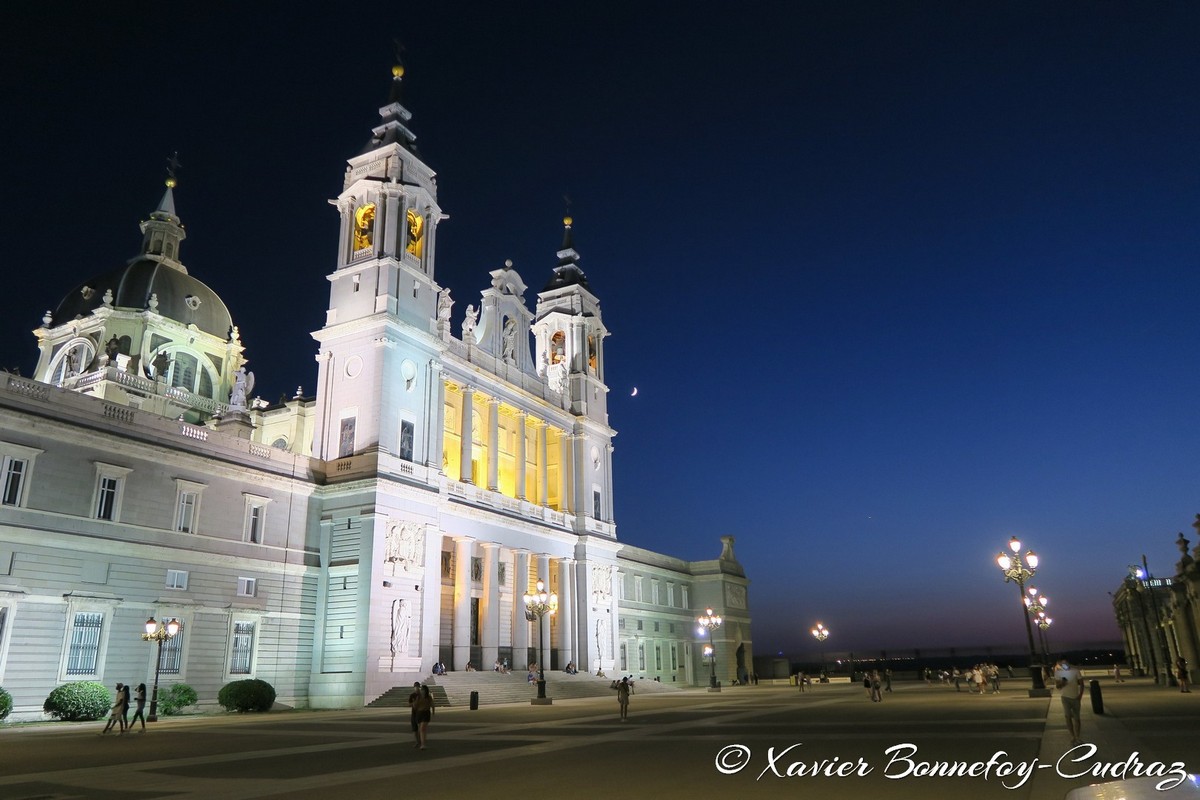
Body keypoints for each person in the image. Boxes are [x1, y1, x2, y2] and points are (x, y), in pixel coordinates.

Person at [1054, 657, 1086, 745]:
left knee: (1077, 718)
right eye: (1062, 664)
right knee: (1067, 717)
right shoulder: (1058, 673)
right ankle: (1072, 736)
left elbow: (1082, 684)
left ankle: (1077, 736)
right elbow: (1057, 686)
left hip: (1075, 697)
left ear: (1068, 663)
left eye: (1065, 663)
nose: (1064, 665)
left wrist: (1080, 695)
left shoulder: (1075, 671)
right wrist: (1063, 682)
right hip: (1065, 697)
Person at [413, 685, 434, 749]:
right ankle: (420, 742)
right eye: (421, 689)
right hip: (419, 713)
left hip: (426, 713)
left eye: (423, 690)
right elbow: (415, 706)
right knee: (420, 729)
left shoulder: (429, 697)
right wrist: (415, 701)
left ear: (426, 690)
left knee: (422, 728)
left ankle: (423, 744)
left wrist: (433, 711)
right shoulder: (418, 697)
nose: (422, 691)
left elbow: (432, 704)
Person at [406, 682, 422, 748]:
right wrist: (413, 703)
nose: (416, 688)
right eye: (415, 687)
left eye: (417, 687)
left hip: (420, 713)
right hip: (414, 713)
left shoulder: (422, 695)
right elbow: (409, 704)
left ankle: (421, 740)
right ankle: (417, 741)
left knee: (420, 728)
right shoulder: (412, 695)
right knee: (414, 728)